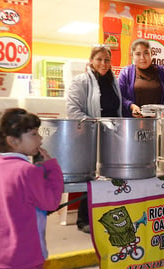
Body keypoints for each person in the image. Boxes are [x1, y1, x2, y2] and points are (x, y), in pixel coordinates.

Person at [0, 108, 64, 269]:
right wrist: (52, 169)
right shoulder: (27, 171)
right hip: (25, 258)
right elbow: (51, 202)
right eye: (34, 134)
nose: (40, 139)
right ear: (13, 141)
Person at [66, 45, 122, 234]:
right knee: (90, 178)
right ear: (91, 60)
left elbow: (117, 109)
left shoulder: (113, 82)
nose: (103, 64)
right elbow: (73, 111)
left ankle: (106, 217)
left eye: (107, 60)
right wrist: (97, 123)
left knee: (108, 178)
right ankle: (84, 220)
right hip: (89, 136)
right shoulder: (80, 81)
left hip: (111, 136)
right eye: (99, 59)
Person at [118, 38, 164, 117]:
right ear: (132, 56)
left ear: (152, 54)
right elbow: (120, 96)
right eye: (138, 54)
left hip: (160, 122)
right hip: (133, 122)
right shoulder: (126, 73)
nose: (142, 58)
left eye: (146, 53)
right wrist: (131, 106)